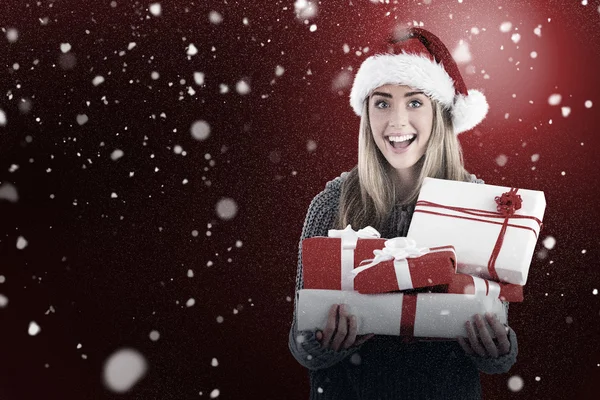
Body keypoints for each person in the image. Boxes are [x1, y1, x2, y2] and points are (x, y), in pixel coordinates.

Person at [288, 27, 518, 399]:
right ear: (367, 112)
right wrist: (324, 346)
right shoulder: (330, 205)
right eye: (382, 102)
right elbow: (300, 343)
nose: (396, 122)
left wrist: (497, 349)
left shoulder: (477, 205)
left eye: (414, 102)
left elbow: (499, 337)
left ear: (439, 114)